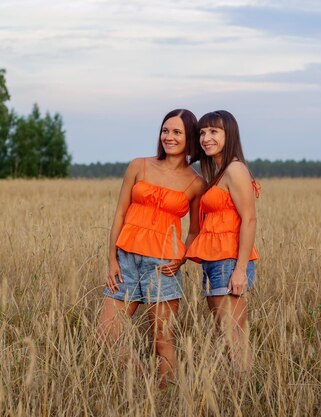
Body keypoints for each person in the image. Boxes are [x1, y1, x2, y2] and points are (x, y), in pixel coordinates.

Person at [98, 109, 206, 386]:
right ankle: (144, 383)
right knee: (107, 332)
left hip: (163, 264)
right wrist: (111, 260)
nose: (169, 137)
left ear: (189, 138)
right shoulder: (139, 166)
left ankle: (163, 396)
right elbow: (119, 214)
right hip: (126, 259)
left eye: (177, 132)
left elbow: (194, 229)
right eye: (165, 130)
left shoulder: (196, 183)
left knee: (162, 338)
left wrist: (180, 258)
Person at [185, 110, 260, 370]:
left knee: (234, 338)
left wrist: (240, 271)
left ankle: (245, 396)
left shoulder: (235, 169)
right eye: (203, 132)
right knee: (226, 336)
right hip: (214, 261)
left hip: (229, 262)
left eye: (214, 132)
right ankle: (238, 392)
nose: (206, 138)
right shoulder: (219, 171)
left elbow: (249, 219)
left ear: (230, 135)